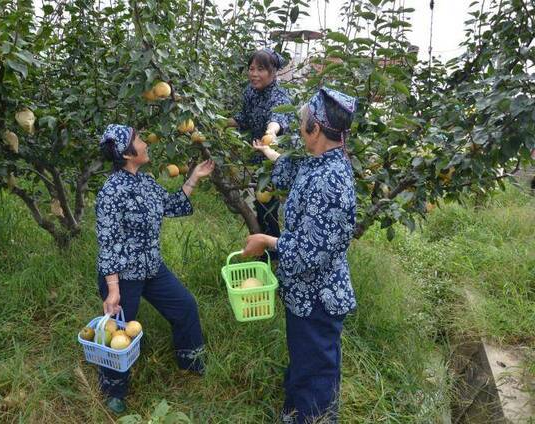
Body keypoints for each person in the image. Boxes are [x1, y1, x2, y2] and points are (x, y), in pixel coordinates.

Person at [241, 88, 359, 423]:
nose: (299, 124)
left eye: (302, 120)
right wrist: (267, 150)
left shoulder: (332, 182)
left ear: (316, 129)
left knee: (316, 373)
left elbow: (310, 252)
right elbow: (296, 172)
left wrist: (266, 240)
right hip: (305, 294)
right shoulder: (323, 162)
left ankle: (312, 417)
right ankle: (295, 413)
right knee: (305, 363)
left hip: (318, 298)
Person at [95, 124, 215, 414]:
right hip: (122, 276)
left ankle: (191, 363)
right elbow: (107, 243)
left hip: (151, 269)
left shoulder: (145, 181)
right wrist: (113, 290)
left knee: (185, 305)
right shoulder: (111, 191)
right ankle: (113, 388)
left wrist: (193, 178)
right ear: (126, 153)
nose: (145, 142)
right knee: (120, 334)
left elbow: (172, 205)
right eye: (138, 139)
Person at [228, 48, 294, 258]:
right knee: (258, 205)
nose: (254, 74)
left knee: (268, 209)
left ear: (273, 72)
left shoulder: (280, 94)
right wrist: (219, 123)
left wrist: (271, 132)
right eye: (251, 68)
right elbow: (243, 119)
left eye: (260, 69)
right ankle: (264, 252)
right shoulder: (250, 91)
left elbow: (277, 119)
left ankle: (274, 257)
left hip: (275, 158)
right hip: (258, 154)